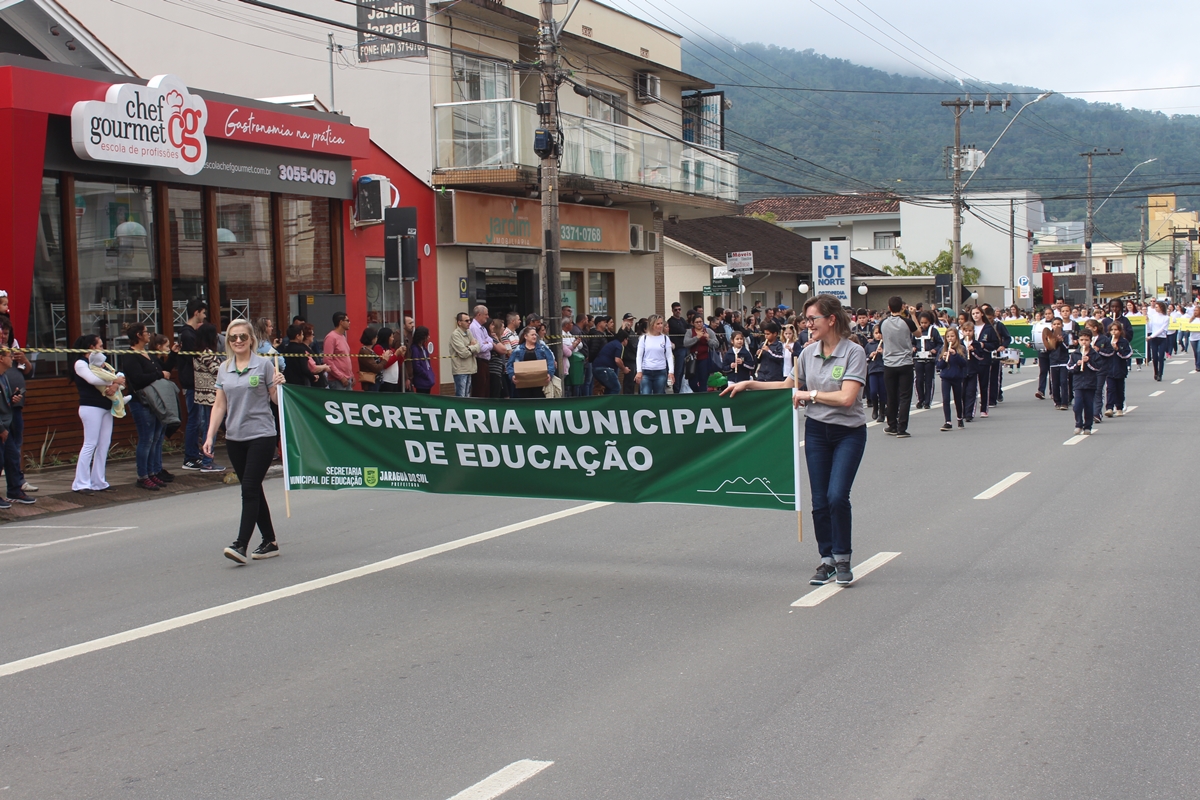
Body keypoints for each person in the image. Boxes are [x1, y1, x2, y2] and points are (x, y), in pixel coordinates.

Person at [722, 294, 867, 587]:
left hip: (848, 432)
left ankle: (843, 557)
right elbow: (787, 386)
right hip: (816, 431)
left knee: (837, 496)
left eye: (812, 319)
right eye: (805, 320)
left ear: (831, 319)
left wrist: (809, 394)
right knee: (819, 500)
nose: (807, 325)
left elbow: (847, 397)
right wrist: (750, 384)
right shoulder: (807, 353)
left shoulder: (854, 352)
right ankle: (827, 559)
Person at [204, 319, 285, 564]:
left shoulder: (264, 365)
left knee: (248, 488)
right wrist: (210, 435)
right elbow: (220, 405)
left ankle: (240, 544)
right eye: (233, 337)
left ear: (251, 340)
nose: (238, 341)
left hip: (261, 435)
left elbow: (275, 401)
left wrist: (279, 386)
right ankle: (270, 541)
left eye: (242, 337)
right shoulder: (224, 368)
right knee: (254, 489)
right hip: (235, 437)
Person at [120, 322, 173, 490]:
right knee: (146, 438)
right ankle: (142, 475)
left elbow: (164, 368)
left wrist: (174, 354)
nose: (149, 334)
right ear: (138, 335)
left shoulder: (148, 354)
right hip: (141, 401)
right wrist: (159, 374)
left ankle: (153, 471)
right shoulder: (130, 356)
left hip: (155, 401)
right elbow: (137, 378)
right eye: (146, 332)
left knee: (156, 438)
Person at [71, 335, 123, 494]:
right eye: (100, 346)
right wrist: (114, 381)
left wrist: (115, 383)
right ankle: (81, 483)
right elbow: (92, 380)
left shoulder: (102, 363)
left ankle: (99, 481)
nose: (102, 348)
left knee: (104, 444)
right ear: (91, 347)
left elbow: (119, 375)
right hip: (90, 406)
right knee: (90, 444)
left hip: (106, 406)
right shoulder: (81, 363)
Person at [191, 323, 226, 474]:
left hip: (201, 395)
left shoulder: (197, 352)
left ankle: (207, 460)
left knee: (207, 426)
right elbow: (217, 371)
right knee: (210, 428)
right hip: (211, 396)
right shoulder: (207, 353)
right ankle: (207, 461)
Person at [880, 296, 916, 438]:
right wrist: (913, 315)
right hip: (905, 362)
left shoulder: (883, 323)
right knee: (905, 396)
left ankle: (892, 425)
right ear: (902, 307)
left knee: (891, 395)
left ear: (889, 307)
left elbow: (882, 336)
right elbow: (918, 332)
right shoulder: (907, 322)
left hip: (889, 363)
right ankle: (902, 428)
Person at [0, 347, 31, 506]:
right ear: (1, 359)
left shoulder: (4, 376)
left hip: (8, 422)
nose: (12, 359)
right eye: (9, 356)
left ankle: (14, 490)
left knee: (12, 457)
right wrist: (1, 429)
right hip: (1, 426)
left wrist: (12, 399)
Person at [179, 298, 207, 470]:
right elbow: (194, 358)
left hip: (194, 381)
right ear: (196, 313)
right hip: (192, 382)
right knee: (194, 420)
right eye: (203, 313)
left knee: (197, 419)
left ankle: (194, 453)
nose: (204, 316)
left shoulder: (188, 333)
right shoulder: (188, 335)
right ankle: (190, 456)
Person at [506, 325, 555, 399]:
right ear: (525, 336)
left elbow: (551, 361)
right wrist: (512, 376)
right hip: (523, 385)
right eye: (532, 335)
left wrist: (549, 374)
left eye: (535, 335)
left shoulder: (542, 348)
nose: (534, 337)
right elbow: (509, 364)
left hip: (540, 384)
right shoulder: (518, 349)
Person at [1067, 329, 1101, 435]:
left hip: (1090, 384)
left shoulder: (1094, 354)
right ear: (1078, 341)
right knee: (1077, 405)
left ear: (1090, 341)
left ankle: (1088, 427)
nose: (1084, 342)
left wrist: (1088, 361)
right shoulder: (1075, 354)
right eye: (1081, 340)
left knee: (1088, 406)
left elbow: (1098, 368)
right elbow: (1069, 368)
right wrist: (1077, 364)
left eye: (1086, 340)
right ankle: (1078, 424)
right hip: (1078, 384)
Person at [936, 327, 968, 430]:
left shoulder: (961, 348)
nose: (950, 338)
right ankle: (948, 421)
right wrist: (943, 359)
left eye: (952, 336)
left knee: (958, 399)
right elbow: (939, 366)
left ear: (956, 337)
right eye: (948, 337)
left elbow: (964, 363)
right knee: (946, 399)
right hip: (946, 377)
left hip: (957, 377)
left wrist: (955, 355)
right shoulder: (942, 349)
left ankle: (959, 418)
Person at [635, 315, 674, 395]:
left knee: (659, 395)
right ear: (652, 325)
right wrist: (639, 371)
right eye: (658, 324)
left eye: (661, 323)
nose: (661, 326)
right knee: (646, 394)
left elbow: (669, 356)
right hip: (646, 371)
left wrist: (671, 371)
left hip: (661, 371)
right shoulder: (644, 338)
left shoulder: (665, 338)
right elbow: (639, 356)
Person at [1099, 322, 1131, 417]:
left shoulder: (1124, 342)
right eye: (1112, 330)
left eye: (1116, 330)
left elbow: (1127, 354)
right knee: (1110, 389)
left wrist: (1117, 349)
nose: (1114, 332)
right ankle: (1109, 408)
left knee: (1119, 389)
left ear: (1120, 331)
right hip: (1109, 369)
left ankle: (1119, 408)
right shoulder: (1107, 341)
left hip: (1120, 369)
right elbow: (1103, 353)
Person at [912, 311, 942, 410]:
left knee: (929, 380)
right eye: (922, 323)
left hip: (930, 359)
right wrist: (913, 347)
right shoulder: (916, 331)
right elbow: (912, 342)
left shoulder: (934, 331)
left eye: (926, 323)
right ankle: (920, 399)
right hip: (918, 359)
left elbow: (940, 343)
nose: (923, 325)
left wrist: (935, 350)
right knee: (919, 380)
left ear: (930, 322)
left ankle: (927, 401)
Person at [683, 313, 718, 393]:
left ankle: (702, 396)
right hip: (692, 360)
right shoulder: (690, 332)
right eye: (697, 322)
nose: (699, 324)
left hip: (705, 359)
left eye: (700, 322)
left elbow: (716, 344)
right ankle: (697, 393)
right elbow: (685, 343)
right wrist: (696, 338)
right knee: (692, 382)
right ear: (693, 323)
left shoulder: (708, 331)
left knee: (703, 380)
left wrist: (708, 339)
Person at [449, 312, 480, 397]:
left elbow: (478, 348)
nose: (469, 322)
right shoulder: (455, 335)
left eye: (470, 320)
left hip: (470, 368)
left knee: (467, 395)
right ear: (459, 322)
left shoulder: (468, 332)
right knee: (461, 395)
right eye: (466, 321)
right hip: (461, 370)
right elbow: (463, 353)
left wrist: (469, 347)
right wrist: (472, 346)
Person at [322, 311, 355, 390]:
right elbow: (327, 360)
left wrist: (351, 375)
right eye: (347, 320)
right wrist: (340, 377)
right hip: (337, 380)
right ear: (341, 322)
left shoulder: (342, 337)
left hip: (347, 378)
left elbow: (345, 358)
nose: (349, 323)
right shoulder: (331, 337)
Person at [1045, 317, 1071, 411]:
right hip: (1053, 362)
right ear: (1052, 326)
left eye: (1058, 324)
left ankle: (1065, 402)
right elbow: (1048, 349)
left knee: (1063, 382)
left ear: (1062, 325)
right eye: (1054, 324)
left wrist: (1061, 341)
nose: (1056, 326)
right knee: (1055, 383)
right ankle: (1057, 401)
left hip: (1063, 361)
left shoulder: (1065, 335)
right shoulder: (1049, 335)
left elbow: (1066, 347)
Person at [468, 304, 493, 399]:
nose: (487, 316)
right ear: (479, 314)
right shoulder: (474, 328)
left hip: (485, 362)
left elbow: (490, 340)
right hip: (479, 362)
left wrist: (488, 343)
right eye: (486, 314)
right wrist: (489, 345)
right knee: (480, 389)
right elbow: (481, 348)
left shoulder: (482, 328)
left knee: (486, 389)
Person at [593, 328, 629, 395]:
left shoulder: (612, 343)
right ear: (624, 339)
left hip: (596, 368)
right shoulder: (619, 345)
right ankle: (612, 401)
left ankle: (606, 401)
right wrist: (624, 369)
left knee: (609, 388)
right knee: (616, 388)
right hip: (605, 368)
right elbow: (617, 360)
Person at [864, 326, 886, 421]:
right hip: (872, 370)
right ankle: (875, 408)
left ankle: (882, 412)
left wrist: (883, 352)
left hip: (883, 370)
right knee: (873, 391)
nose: (878, 335)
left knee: (882, 392)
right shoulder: (869, 345)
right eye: (876, 333)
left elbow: (890, 356)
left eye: (880, 333)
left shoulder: (886, 344)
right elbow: (865, 357)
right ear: (873, 334)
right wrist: (870, 356)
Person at [1032, 306, 1054, 400]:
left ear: (1053, 314)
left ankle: (1053, 391)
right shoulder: (1040, 324)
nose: (1048, 315)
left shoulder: (1056, 323)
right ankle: (1041, 391)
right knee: (1043, 371)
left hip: (1053, 351)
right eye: (1046, 314)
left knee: (1052, 372)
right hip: (1042, 351)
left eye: (1049, 314)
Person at [1146, 300, 1170, 381]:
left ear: (1161, 307)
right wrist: (1147, 321)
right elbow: (1150, 327)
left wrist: (1151, 336)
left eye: (1157, 307)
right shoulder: (1153, 316)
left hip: (1162, 338)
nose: (1155, 308)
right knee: (1155, 357)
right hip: (1154, 339)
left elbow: (1162, 329)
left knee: (1161, 357)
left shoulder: (1166, 318)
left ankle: (1160, 374)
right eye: (1155, 307)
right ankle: (1156, 372)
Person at [375, 328, 404, 392]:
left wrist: (401, 355)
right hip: (385, 380)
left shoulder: (391, 349)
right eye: (391, 337)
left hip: (394, 381)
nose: (393, 339)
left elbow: (398, 363)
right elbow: (385, 364)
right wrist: (396, 355)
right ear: (387, 337)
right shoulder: (378, 348)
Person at [408, 326, 436, 394]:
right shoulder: (415, 349)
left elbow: (427, 362)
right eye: (427, 335)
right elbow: (416, 365)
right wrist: (426, 374)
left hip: (426, 379)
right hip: (421, 380)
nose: (429, 337)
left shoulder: (423, 348)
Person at [487, 318, 510, 398]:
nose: (504, 329)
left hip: (500, 370)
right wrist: (497, 340)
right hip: (494, 370)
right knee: (496, 393)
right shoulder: (492, 339)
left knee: (505, 395)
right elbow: (504, 350)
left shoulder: (499, 339)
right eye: (502, 327)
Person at [357, 327, 383, 391]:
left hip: (376, 381)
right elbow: (375, 368)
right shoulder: (364, 351)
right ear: (372, 338)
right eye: (376, 336)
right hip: (370, 381)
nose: (377, 338)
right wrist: (385, 359)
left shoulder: (370, 350)